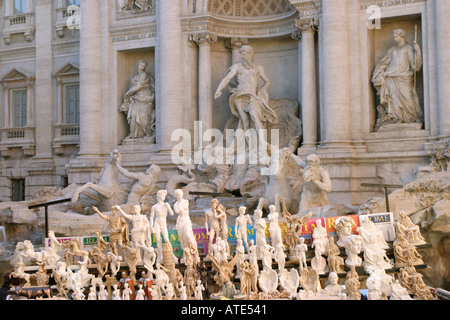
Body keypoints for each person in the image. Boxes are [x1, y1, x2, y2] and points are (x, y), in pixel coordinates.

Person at [214, 45, 277, 139]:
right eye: (242, 53)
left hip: (252, 96)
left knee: (254, 116)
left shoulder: (258, 68)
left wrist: (264, 89)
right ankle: (249, 145)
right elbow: (227, 78)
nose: (243, 55)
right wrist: (219, 89)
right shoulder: (237, 66)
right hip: (240, 96)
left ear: (251, 54)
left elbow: (267, 81)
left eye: (245, 53)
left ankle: (262, 143)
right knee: (245, 120)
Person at [372, 28, 423, 127]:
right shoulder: (392, 50)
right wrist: (378, 73)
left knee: (407, 97)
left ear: (402, 36)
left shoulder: (408, 48)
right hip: (391, 77)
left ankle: (409, 118)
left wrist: (418, 51)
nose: (395, 39)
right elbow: (385, 63)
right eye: (394, 37)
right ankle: (396, 118)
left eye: (396, 37)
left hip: (403, 77)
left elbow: (415, 65)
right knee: (393, 99)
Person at [120, 60, 156, 140]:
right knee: (133, 115)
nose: (142, 67)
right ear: (138, 65)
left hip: (145, 97)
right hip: (136, 98)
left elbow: (138, 86)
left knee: (144, 117)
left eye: (143, 66)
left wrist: (128, 93)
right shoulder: (135, 76)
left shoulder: (144, 74)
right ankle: (132, 134)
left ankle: (146, 133)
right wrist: (130, 95)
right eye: (141, 65)